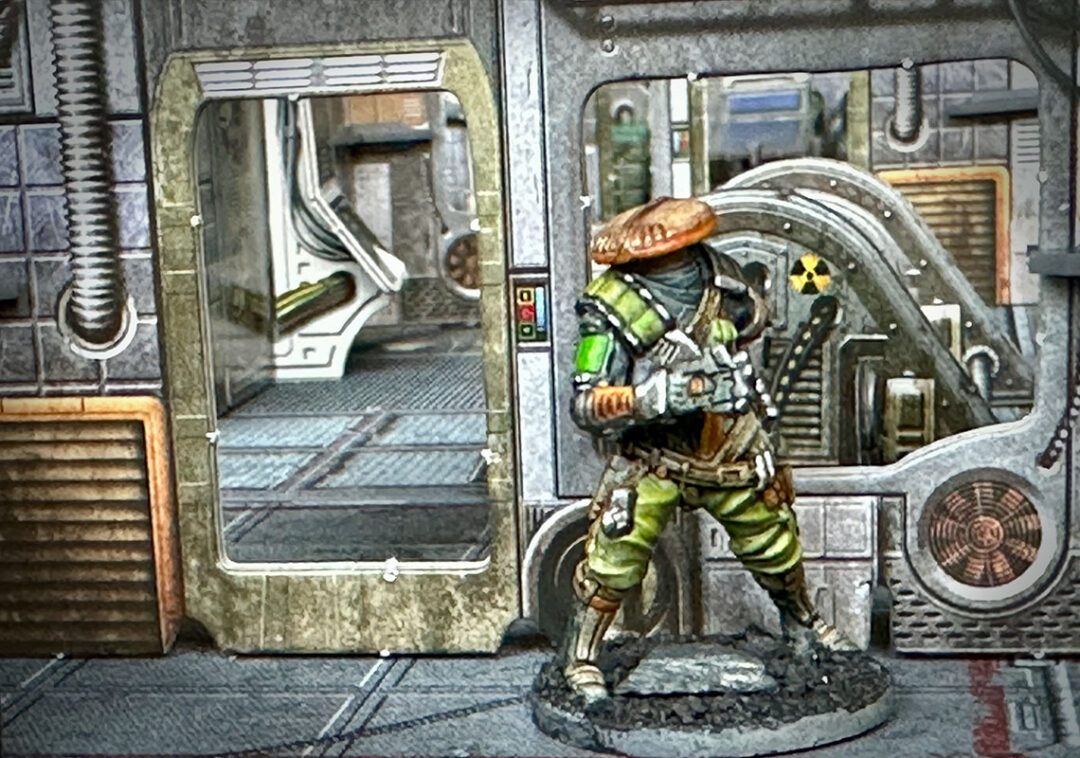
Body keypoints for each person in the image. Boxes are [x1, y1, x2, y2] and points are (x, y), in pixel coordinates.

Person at [561, 196, 855, 702]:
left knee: (774, 542)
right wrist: (650, 397)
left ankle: (803, 622)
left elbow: (748, 336)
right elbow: (587, 402)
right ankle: (582, 656)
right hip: (654, 457)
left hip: (730, 446)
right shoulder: (610, 306)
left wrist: (745, 411)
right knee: (615, 558)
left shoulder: (725, 280)